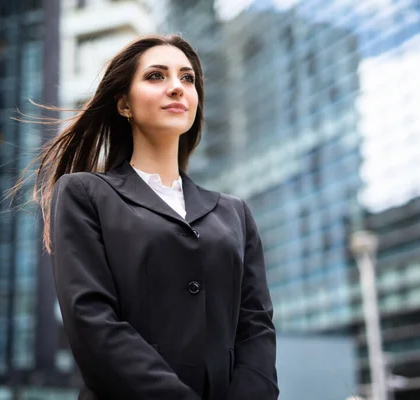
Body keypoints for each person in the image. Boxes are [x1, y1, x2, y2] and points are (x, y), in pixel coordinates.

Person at [27, 35, 278, 399]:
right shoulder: (83, 194)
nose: (177, 87)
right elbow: (92, 322)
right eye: (156, 76)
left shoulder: (234, 213)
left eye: (187, 78)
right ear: (124, 104)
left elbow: (256, 328)